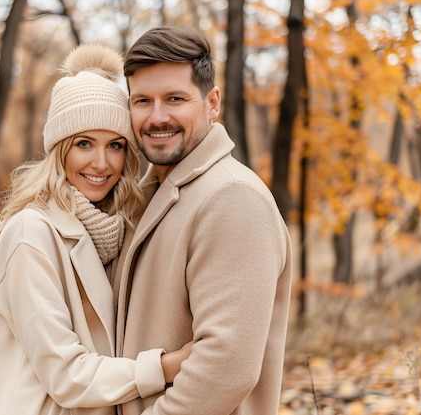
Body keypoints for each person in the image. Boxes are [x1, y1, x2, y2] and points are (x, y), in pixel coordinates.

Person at [0, 43, 190, 415]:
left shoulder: (112, 231)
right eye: (84, 144)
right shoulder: (31, 235)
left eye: (115, 145)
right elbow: (66, 374)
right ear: (59, 150)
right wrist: (169, 366)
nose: (101, 163)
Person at [112, 26, 293, 415]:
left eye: (175, 99)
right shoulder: (150, 197)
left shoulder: (231, 197)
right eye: (142, 101)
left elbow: (225, 366)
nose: (156, 117)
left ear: (212, 103)